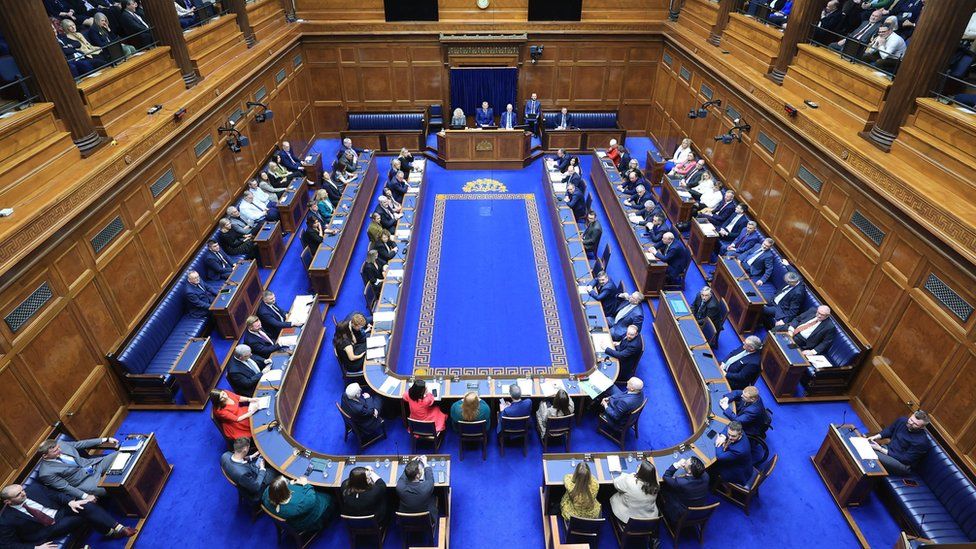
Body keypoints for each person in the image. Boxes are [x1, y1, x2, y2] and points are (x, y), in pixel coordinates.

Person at [0, 482, 136, 544]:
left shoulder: (33, 489)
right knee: (82, 517)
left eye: (22, 490)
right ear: (8, 502)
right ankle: (112, 533)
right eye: (18, 495)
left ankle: (118, 528)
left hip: (59, 513)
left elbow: (56, 496)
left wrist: (71, 502)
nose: (24, 494)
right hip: (46, 529)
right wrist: (35, 548)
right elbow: (9, 545)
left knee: (84, 505)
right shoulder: (5, 520)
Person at [36, 437, 119, 499]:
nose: (60, 450)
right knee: (112, 488)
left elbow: (81, 444)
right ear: (45, 456)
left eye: (58, 448)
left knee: (122, 454)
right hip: (84, 481)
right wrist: (85, 496)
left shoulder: (60, 443)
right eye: (55, 451)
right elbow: (65, 487)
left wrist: (105, 439)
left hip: (94, 465)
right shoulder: (45, 473)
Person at [262, 476, 335, 534]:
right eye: (287, 483)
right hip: (305, 520)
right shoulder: (298, 506)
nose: (288, 482)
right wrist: (305, 484)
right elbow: (312, 499)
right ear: (285, 491)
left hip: (290, 518)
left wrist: (291, 483)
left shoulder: (266, 494)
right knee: (328, 497)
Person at [867, 410, 930, 475]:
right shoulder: (902, 421)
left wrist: (880, 449)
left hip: (902, 464)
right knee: (865, 445)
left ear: (922, 427)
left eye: (915, 424)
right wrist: (875, 437)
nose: (911, 423)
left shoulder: (921, 442)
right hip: (888, 449)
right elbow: (890, 430)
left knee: (870, 453)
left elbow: (905, 459)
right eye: (911, 419)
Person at [660, 457, 710, 524]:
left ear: (690, 471)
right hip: (700, 507)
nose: (685, 462)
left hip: (683, 513)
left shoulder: (682, 482)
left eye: (686, 462)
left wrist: (677, 464)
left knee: (663, 489)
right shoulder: (706, 476)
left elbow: (666, 476)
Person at [610, 460, 660, 524]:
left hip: (629, 518)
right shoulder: (656, 486)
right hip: (648, 518)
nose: (638, 466)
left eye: (639, 467)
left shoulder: (630, 482)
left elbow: (616, 483)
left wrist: (630, 475)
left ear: (641, 472)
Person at [221, 437, 269, 501]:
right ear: (245, 449)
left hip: (243, 476)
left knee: (258, 461)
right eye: (248, 447)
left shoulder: (225, 455)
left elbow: (238, 458)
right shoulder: (243, 474)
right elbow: (256, 487)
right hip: (253, 491)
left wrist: (251, 456)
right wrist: (262, 469)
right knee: (275, 473)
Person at [711, 422, 753, 486]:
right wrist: (723, 436)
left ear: (740, 434)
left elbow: (719, 456)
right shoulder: (738, 429)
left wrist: (718, 441)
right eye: (729, 434)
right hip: (743, 463)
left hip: (737, 472)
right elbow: (728, 425)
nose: (730, 437)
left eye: (733, 436)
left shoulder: (740, 450)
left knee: (712, 468)